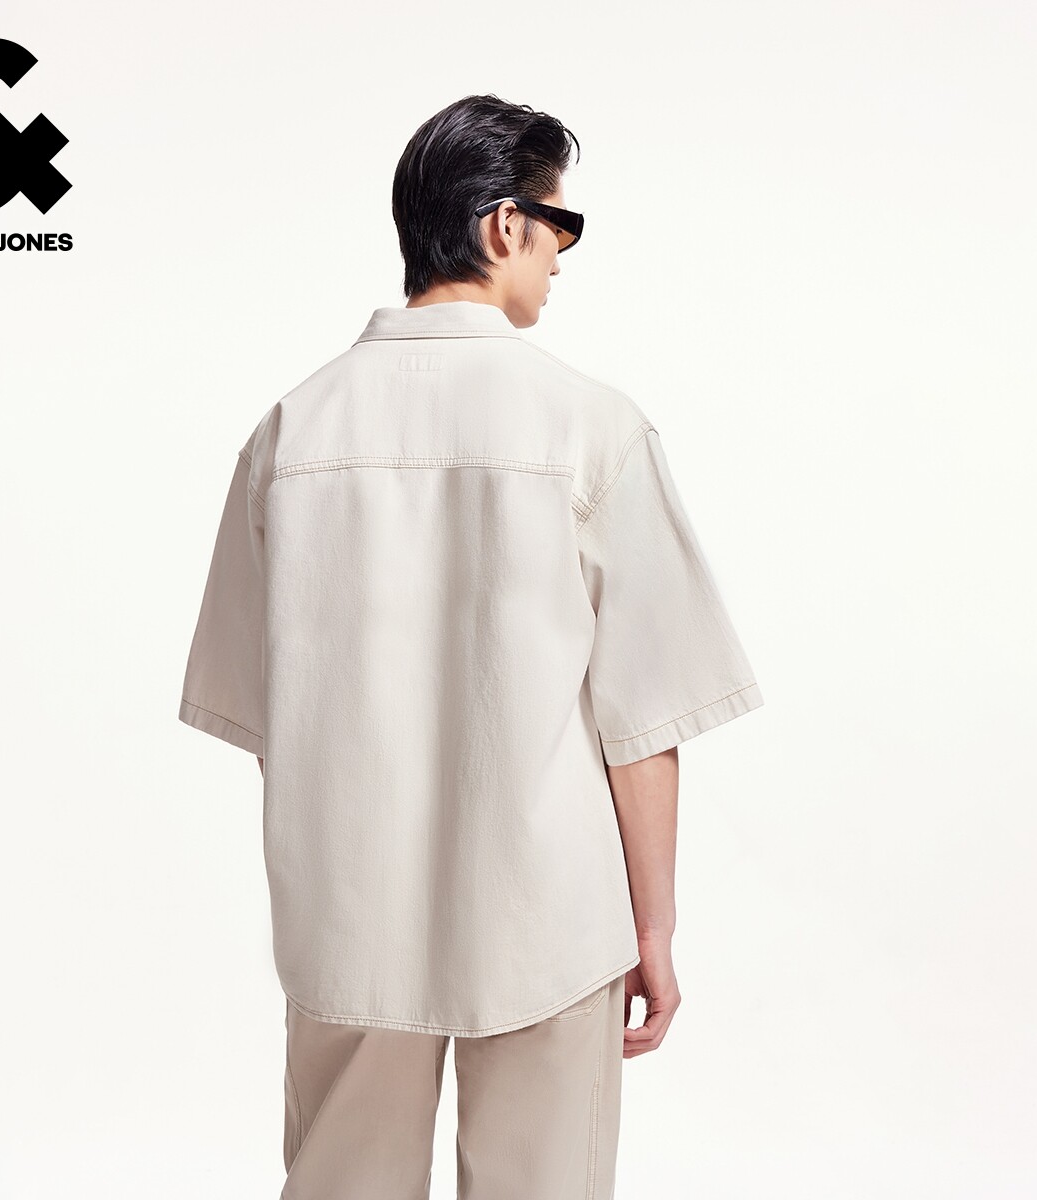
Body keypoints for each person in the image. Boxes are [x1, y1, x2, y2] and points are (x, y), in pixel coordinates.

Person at [178, 93, 764, 1200]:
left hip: (346, 918)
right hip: (552, 915)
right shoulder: (590, 426)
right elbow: (643, 724)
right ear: (505, 225)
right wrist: (654, 927)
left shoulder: (291, 431)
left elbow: (264, 714)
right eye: (561, 225)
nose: (563, 255)